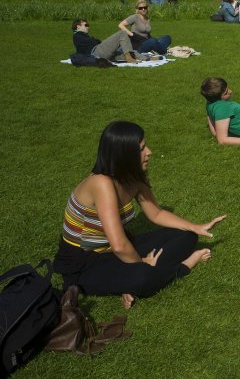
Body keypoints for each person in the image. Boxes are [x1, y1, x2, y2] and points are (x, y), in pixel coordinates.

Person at [53, 121, 227, 309]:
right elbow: (119, 246)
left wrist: (195, 227)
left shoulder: (134, 176)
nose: (149, 152)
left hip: (114, 250)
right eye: (142, 149)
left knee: (187, 236)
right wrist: (141, 264)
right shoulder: (101, 183)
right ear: (124, 155)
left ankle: (132, 281)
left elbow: (156, 213)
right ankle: (184, 266)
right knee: (142, 277)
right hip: (84, 262)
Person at [72, 18, 140, 63]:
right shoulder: (77, 36)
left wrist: (95, 40)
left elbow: (92, 42)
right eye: (86, 25)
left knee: (127, 51)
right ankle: (128, 57)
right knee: (122, 33)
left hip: (100, 54)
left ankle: (148, 58)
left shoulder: (81, 36)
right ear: (78, 26)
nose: (88, 27)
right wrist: (95, 40)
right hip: (97, 53)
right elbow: (92, 43)